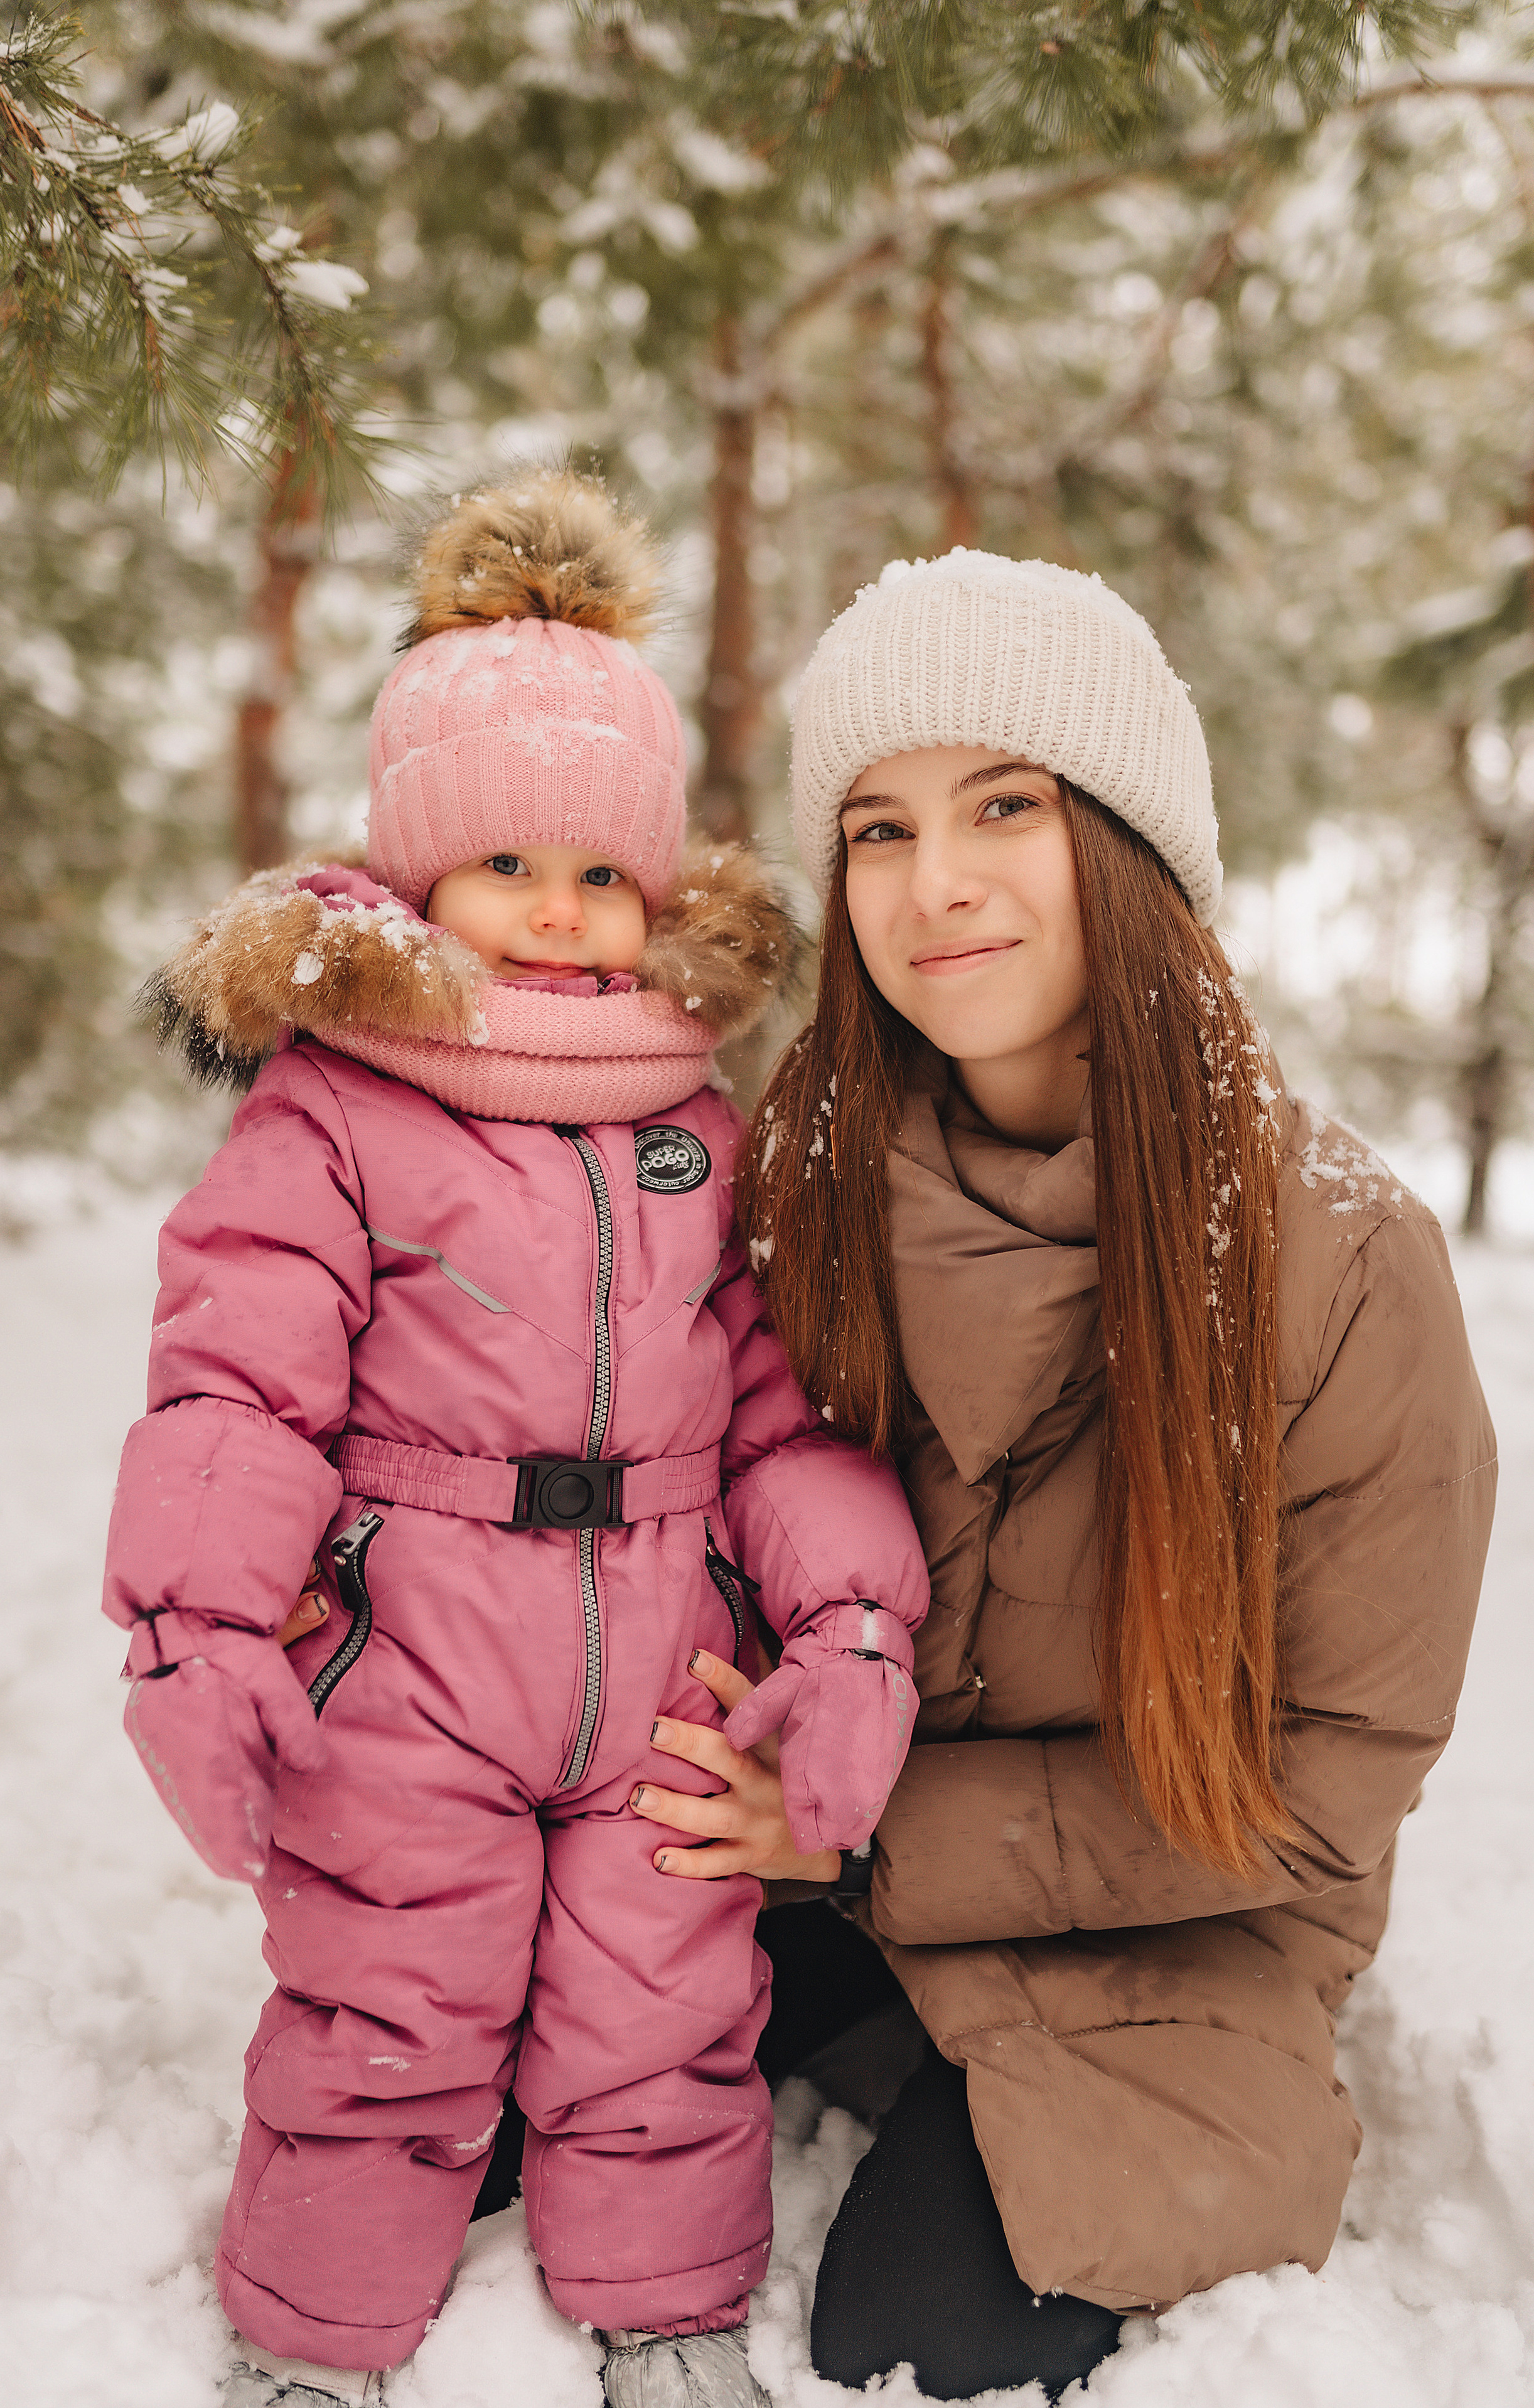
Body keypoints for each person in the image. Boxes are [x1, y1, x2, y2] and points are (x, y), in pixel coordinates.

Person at [625, 549, 1496, 2399]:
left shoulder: (1342, 1259)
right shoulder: (799, 1186)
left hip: (1187, 1912)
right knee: (476, 2120)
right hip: (826, 1848)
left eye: (1004, 805)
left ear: (1128, 842)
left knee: (921, 2332)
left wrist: (873, 1838)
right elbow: (644, 1469)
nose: (933, 882)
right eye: (878, 829)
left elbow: (1326, 1781)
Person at [100, 471, 930, 2408]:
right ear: (414, 880)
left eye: (600, 872)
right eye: (504, 863)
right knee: (390, 1999)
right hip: (407, 1662)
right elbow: (238, 1389)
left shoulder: (695, 1123)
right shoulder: (334, 1112)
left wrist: (849, 1627)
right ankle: (316, 2334)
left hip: (663, 1662)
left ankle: (668, 2305)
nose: (558, 908)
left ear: (654, 894)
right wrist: (200, 1630)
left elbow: (783, 1415)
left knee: (667, 2001)